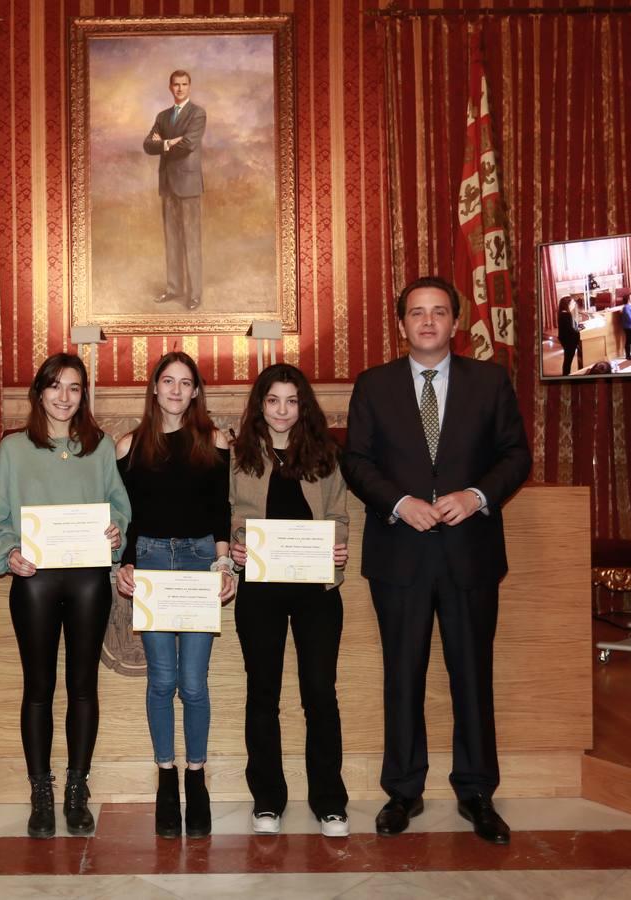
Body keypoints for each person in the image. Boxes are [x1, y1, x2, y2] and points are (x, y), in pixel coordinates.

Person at [341, 276, 531, 846]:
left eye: (439, 312)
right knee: (403, 676)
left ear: (455, 323)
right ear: (401, 325)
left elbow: (516, 454)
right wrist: (399, 503)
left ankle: (476, 792)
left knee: (472, 676)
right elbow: (355, 460)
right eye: (417, 313)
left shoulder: (489, 382)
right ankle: (403, 791)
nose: (427, 322)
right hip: (399, 554)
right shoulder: (373, 385)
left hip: (469, 554)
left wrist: (476, 497)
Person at [0, 353, 131, 839]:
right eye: (55, 387)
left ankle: (76, 789)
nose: (65, 397)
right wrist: (8, 555)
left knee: (84, 686)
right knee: (38, 687)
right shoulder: (14, 448)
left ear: (83, 394)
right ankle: (40, 791)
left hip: (88, 578)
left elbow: (119, 507)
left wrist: (115, 531)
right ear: (39, 392)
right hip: (36, 580)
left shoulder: (101, 446)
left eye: (74, 387)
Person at [114, 351, 235, 839]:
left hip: (199, 560)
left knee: (194, 682)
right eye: (169, 381)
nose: (177, 391)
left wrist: (225, 562)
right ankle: (166, 776)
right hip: (150, 562)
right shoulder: (128, 445)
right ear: (155, 387)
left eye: (187, 383)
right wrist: (121, 564)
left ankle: (197, 776)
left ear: (197, 391)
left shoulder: (215, 440)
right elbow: (123, 516)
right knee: (162, 680)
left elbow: (220, 509)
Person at [229, 363, 352, 838]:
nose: (282, 410)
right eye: (273, 400)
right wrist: (237, 543)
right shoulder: (240, 455)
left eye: (291, 401)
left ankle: (329, 800)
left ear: (304, 407)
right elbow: (232, 515)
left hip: (316, 590)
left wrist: (339, 543)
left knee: (319, 692)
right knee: (263, 693)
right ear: (261, 405)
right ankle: (268, 798)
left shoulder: (324, 454)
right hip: (259, 589)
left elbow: (340, 512)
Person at [143, 69, 206, 311]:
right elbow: (148, 145)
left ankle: (195, 294)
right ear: (170, 88)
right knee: (172, 241)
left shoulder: (197, 114)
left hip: (189, 185)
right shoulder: (162, 116)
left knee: (191, 241)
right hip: (168, 184)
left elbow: (190, 144)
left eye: (184, 84)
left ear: (189, 87)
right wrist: (169, 142)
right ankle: (173, 289)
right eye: (176, 85)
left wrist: (163, 144)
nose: (180, 88)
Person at [556, 296, 583, 376]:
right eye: (572, 303)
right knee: (568, 360)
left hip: (565, 339)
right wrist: (578, 331)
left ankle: (566, 374)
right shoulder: (566, 315)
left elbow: (569, 328)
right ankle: (566, 375)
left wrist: (577, 327)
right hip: (568, 341)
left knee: (567, 359)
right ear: (567, 304)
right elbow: (571, 330)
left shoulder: (562, 313)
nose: (574, 305)